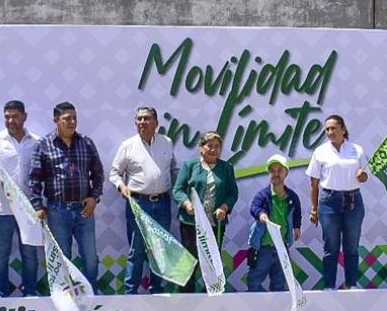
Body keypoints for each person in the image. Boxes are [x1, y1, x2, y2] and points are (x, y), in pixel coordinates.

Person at [28, 102, 105, 289]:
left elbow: (98, 173)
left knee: (90, 257)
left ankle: (91, 296)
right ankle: (66, 299)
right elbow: (34, 178)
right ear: (56, 120)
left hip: (84, 210)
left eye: (74, 118)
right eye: (67, 119)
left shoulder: (86, 142)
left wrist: (94, 197)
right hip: (57, 211)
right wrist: (37, 206)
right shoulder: (43, 145)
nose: (72, 122)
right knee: (63, 259)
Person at [109, 106, 176, 294]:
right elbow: (114, 173)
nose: (142, 122)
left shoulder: (166, 142)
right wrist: (121, 186)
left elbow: (174, 169)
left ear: (156, 122)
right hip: (138, 204)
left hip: (162, 203)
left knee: (160, 250)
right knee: (136, 250)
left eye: (146, 118)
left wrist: (182, 190)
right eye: (139, 119)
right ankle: (131, 293)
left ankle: (157, 290)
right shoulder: (127, 145)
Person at [0, 100, 42, 297]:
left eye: (15, 116)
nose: (11, 120)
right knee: (1, 254)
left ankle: (30, 294)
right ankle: (1, 296)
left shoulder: (36, 142)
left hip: (28, 208)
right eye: (7, 117)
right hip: (3, 208)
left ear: (25, 117)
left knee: (30, 254)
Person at [307, 115, 369, 290]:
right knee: (331, 247)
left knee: (351, 246)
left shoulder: (356, 150)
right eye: (327, 129)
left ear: (343, 129)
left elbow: (365, 177)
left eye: (333, 128)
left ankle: (352, 284)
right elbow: (314, 183)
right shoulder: (320, 151)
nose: (330, 132)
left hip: (353, 201)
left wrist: (362, 176)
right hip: (329, 202)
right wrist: (314, 209)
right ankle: (329, 286)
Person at [172, 132, 238, 293]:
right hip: (191, 224)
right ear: (201, 148)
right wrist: (187, 204)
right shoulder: (190, 166)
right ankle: (186, 296)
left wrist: (224, 207)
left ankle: (211, 296)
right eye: (209, 145)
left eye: (217, 146)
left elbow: (233, 193)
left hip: (215, 224)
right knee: (190, 261)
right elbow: (178, 190)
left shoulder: (226, 168)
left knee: (212, 262)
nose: (213, 149)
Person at [246, 154, 302, 292]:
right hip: (263, 248)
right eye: (272, 170)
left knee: (279, 285)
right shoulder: (262, 195)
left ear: (286, 173)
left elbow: (297, 213)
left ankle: (275, 306)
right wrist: (261, 214)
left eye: (279, 170)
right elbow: (254, 207)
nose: (276, 174)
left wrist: (297, 227)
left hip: (282, 248)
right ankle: (260, 304)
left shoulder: (293, 197)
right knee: (253, 283)